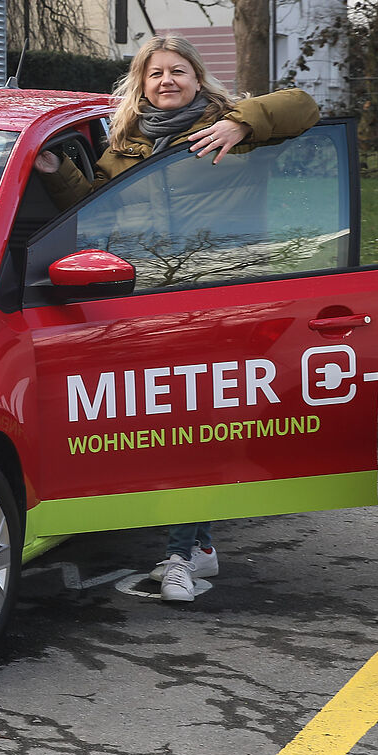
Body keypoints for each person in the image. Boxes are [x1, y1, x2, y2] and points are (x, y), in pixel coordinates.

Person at [35, 33, 319, 604]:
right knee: (180, 430)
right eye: (154, 74)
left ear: (197, 77)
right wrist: (53, 170)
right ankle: (200, 545)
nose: (166, 81)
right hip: (150, 301)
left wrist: (244, 122)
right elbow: (94, 206)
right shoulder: (125, 148)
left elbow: (305, 107)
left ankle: (177, 557)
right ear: (140, 85)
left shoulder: (231, 130)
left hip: (220, 297)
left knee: (190, 433)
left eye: (177, 71)